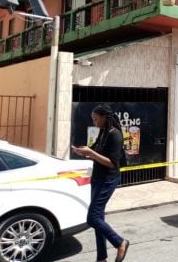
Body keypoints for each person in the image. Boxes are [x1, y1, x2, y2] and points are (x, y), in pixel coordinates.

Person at [72, 104, 130, 262]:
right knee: (99, 219)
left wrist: (91, 153)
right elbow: (96, 151)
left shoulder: (115, 134)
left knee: (92, 218)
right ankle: (101, 257)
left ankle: (120, 242)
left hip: (108, 178)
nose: (94, 121)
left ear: (105, 117)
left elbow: (112, 163)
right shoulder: (103, 132)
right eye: (93, 119)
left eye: (96, 118)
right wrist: (84, 151)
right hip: (97, 178)